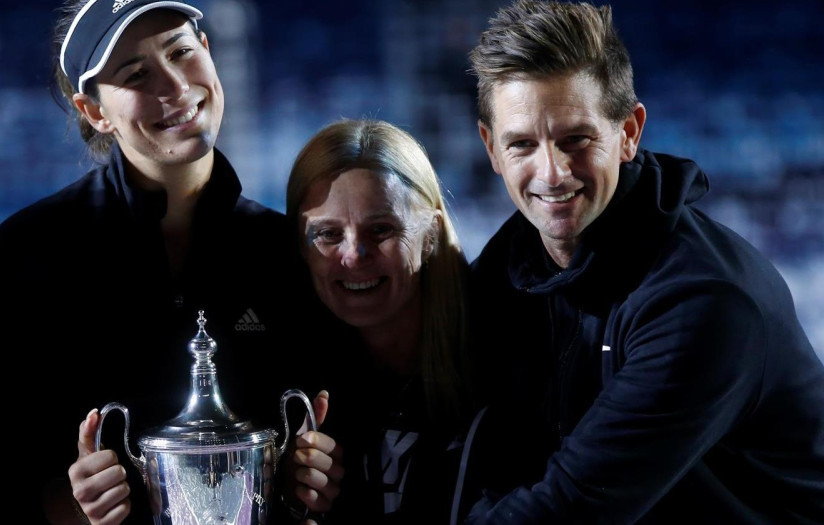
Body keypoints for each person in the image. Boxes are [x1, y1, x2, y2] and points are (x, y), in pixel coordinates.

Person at [0, 1, 321, 523]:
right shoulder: (12, 268)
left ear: (209, 54)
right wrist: (67, 505)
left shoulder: (287, 252)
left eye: (181, 52)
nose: (174, 85)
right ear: (95, 112)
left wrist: (310, 481)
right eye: (137, 74)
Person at [464, 1, 824, 522]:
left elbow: (571, 511)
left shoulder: (702, 301)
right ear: (492, 150)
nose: (553, 173)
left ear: (629, 132)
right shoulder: (509, 268)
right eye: (522, 144)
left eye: (576, 140)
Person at [284, 119, 485, 524]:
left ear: (429, 236)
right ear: (300, 250)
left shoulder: (500, 347)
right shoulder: (295, 382)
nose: (355, 255)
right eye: (327, 234)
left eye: (381, 230)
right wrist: (287, 502)